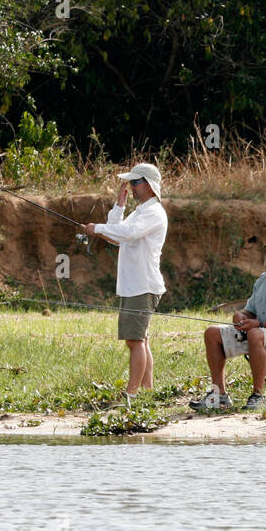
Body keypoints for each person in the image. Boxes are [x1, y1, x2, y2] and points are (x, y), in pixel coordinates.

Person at [190, 232, 266, 412]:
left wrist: (259, 325)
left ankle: (258, 396)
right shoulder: (263, 280)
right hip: (258, 333)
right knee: (212, 332)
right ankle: (219, 396)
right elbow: (249, 310)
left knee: (256, 334)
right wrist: (240, 315)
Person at [82, 163, 168, 398]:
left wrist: (96, 228)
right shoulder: (140, 212)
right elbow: (117, 235)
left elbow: (125, 233)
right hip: (134, 286)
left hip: (143, 285)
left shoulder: (153, 213)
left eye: (135, 182)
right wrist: (119, 206)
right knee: (141, 340)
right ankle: (146, 391)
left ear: (149, 186)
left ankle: (132, 394)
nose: (131, 187)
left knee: (134, 341)